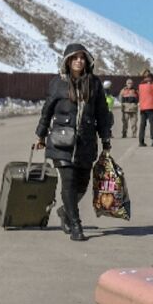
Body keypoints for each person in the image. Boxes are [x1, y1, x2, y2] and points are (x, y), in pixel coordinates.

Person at [34, 43, 112, 242]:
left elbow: (102, 114)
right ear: (67, 61)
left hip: (86, 142)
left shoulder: (94, 83)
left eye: (82, 57)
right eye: (75, 57)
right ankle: (76, 225)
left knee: (82, 185)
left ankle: (65, 211)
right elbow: (47, 111)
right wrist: (40, 135)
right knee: (68, 183)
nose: (79, 61)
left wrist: (105, 138)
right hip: (62, 142)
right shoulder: (57, 83)